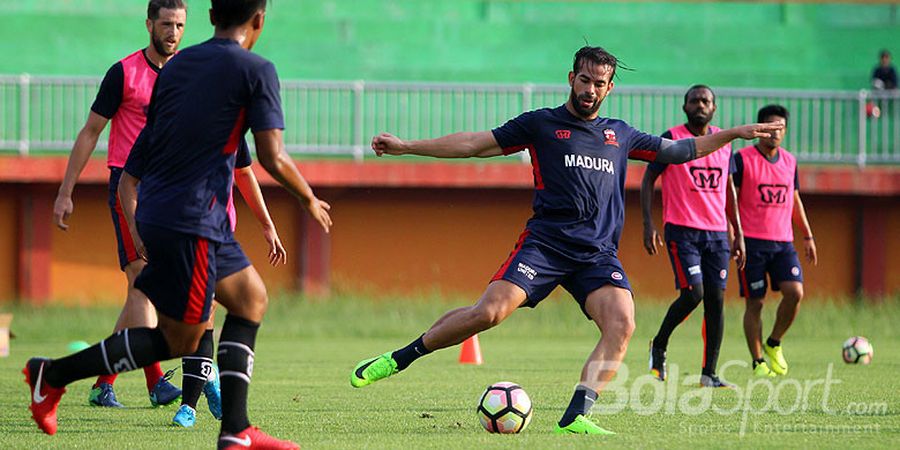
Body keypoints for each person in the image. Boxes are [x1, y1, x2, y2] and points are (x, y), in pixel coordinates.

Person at [352, 46, 782, 435]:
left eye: (599, 83)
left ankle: (576, 417)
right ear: (570, 78)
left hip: (596, 255)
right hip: (545, 245)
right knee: (488, 313)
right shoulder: (541, 124)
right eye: (584, 80)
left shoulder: (621, 134)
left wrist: (732, 134)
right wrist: (407, 145)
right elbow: (473, 144)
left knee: (623, 323)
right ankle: (399, 358)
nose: (590, 89)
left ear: (610, 88)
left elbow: (681, 151)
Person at [24, 1, 331, 448]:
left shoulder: (178, 67)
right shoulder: (256, 70)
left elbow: (144, 152)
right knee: (180, 339)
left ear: (209, 16)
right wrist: (308, 199)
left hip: (164, 210)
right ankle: (50, 374)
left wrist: (138, 208)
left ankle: (237, 430)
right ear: (260, 20)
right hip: (194, 219)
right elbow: (272, 156)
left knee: (250, 300)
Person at [51, 0, 187, 409]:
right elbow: (91, 131)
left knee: (139, 293)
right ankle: (156, 381)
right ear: (149, 24)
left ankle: (102, 383)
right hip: (129, 189)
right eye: (166, 24)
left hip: (170, 191)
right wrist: (64, 191)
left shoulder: (187, 74)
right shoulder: (123, 72)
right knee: (141, 281)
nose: (173, 32)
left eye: (180, 25)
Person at [118, 141, 288, 427]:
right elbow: (128, 182)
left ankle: (188, 406)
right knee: (183, 320)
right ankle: (207, 376)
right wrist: (137, 230)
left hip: (216, 234)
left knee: (205, 310)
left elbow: (244, 174)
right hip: (172, 233)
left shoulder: (229, 122)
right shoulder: (164, 125)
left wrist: (267, 224)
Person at [642, 85, 745, 388]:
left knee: (715, 300)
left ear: (714, 108)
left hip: (716, 233)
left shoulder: (724, 143)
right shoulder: (672, 138)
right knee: (694, 293)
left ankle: (709, 373)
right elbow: (649, 178)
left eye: (706, 101)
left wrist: (737, 232)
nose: (700, 105)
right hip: (682, 229)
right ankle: (659, 345)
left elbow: (729, 190)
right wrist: (648, 224)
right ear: (684, 106)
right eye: (694, 100)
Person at [735, 104, 817, 378]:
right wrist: (734, 235)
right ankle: (758, 361)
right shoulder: (742, 159)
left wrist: (807, 234)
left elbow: (795, 200)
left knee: (795, 293)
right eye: (770, 127)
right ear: (760, 129)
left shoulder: (790, 162)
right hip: (752, 244)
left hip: (783, 243)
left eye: (780, 128)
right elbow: (729, 199)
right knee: (755, 303)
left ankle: (774, 343)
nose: (775, 133)